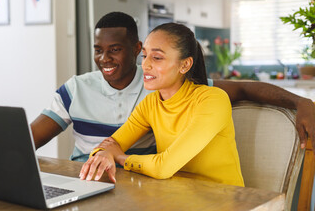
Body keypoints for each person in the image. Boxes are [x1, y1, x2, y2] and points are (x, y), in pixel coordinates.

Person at [31, 12, 315, 162]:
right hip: (88, 179)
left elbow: (242, 89)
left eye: (114, 50)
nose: (104, 59)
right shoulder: (76, 88)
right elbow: (33, 136)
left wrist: (301, 102)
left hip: (144, 185)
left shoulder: (165, 86)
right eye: (98, 50)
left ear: (135, 48)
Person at [79, 22, 244, 186]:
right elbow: (112, 143)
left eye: (157, 57)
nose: (145, 64)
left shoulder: (212, 100)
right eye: (144, 56)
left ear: (185, 65)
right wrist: (103, 153)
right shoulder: (151, 103)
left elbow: (163, 168)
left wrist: (121, 157)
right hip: (176, 197)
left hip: (223, 200)